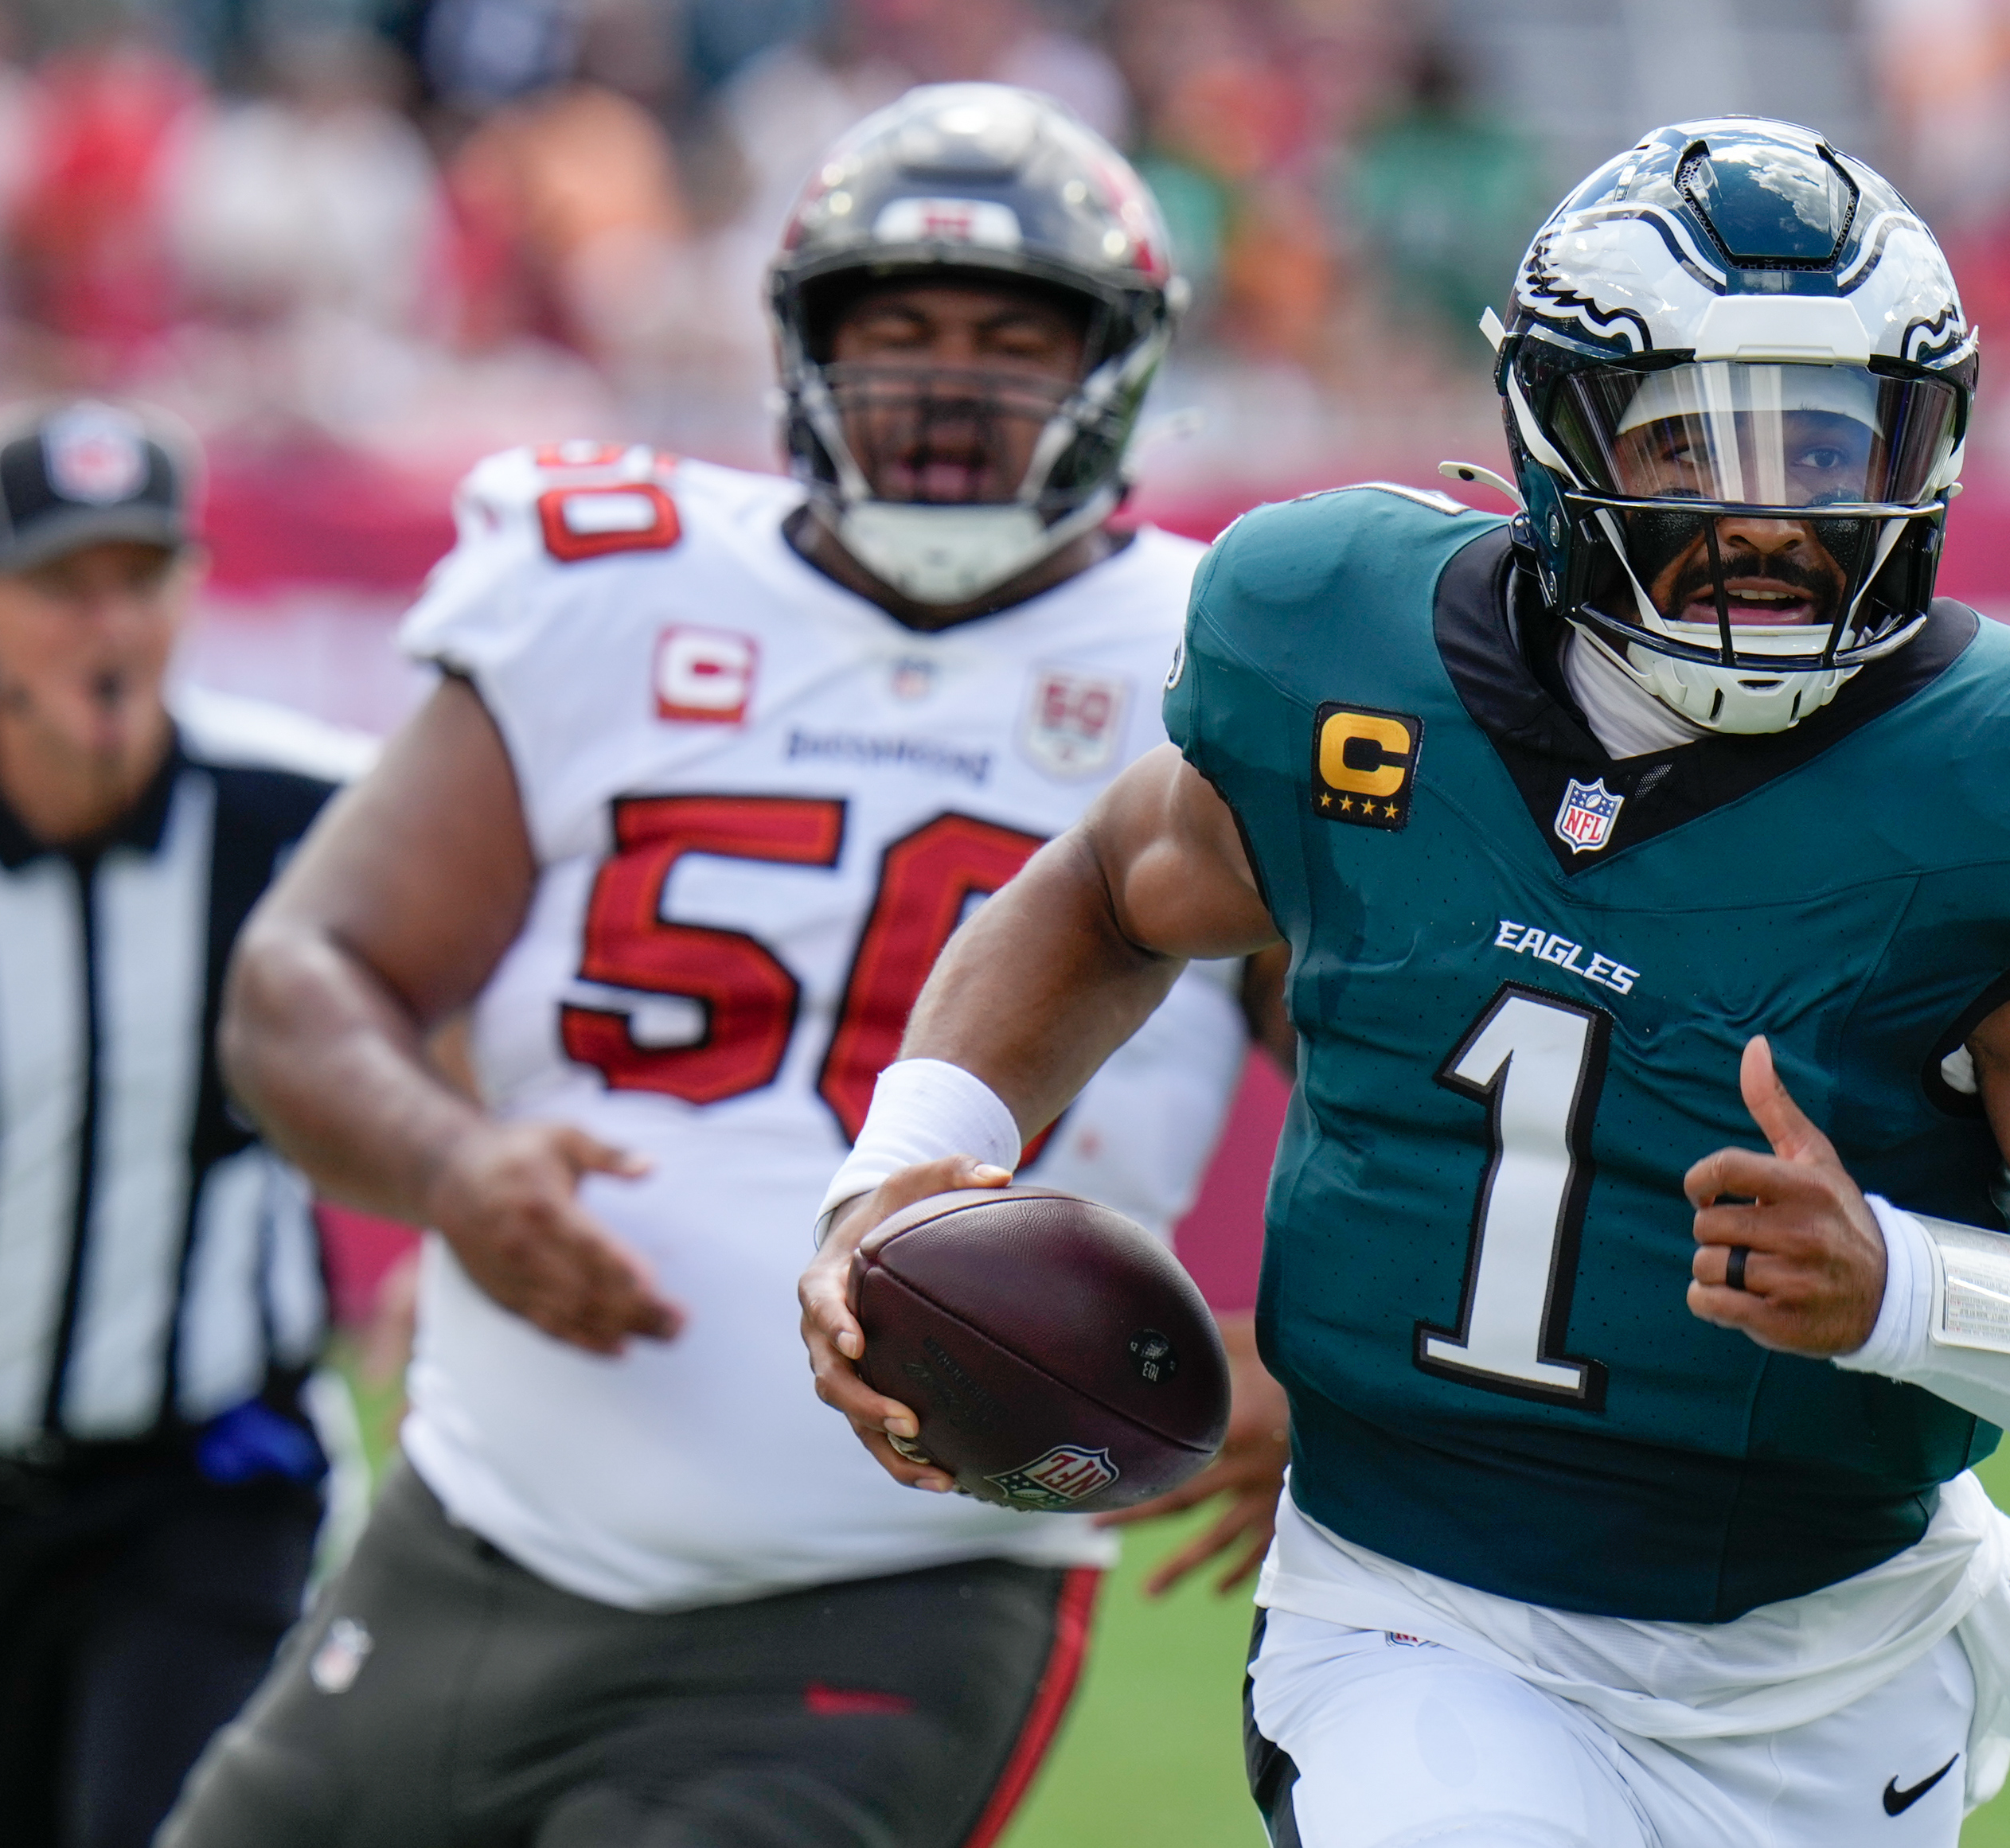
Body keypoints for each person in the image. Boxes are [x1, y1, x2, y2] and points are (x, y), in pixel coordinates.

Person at [799, 118, 2010, 1847]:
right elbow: (1094, 898)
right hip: (1413, 1614)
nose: (1769, 517)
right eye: (1695, 442)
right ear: (1550, 432)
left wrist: (1902, 1287)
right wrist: (903, 1169)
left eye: (1826, 447)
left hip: (1833, 1666)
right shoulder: (1337, 643)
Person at [169, 85, 1289, 1848]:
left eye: (1012, 337)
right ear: (798, 349)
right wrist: (452, 1168)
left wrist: (1338, 1359)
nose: (946, 381)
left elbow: (1443, 1077)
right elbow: (307, 980)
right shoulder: (607, 578)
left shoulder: (1222, 652)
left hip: (893, 1591)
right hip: (472, 1533)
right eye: (896, 328)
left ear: (1116, 364)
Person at [0, 400, 370, 1848]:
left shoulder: (307, 813)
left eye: (137, 581)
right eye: (57, 585)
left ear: (193, 593)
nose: (106, 625)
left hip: (200, 1479)